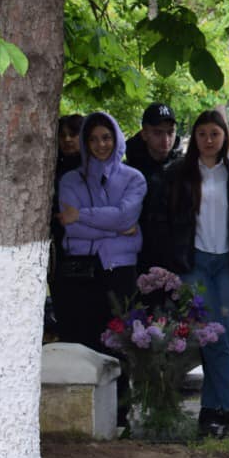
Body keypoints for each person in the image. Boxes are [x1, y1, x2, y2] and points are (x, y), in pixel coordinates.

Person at [167, 110, 229, 438]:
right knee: (210, 334)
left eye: (214, 134)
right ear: (194, 137)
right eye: (202, 134)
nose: (208, 140)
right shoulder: (180, 174)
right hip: (196, 263)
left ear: (225, 136)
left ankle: (209, 411)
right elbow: (170, 220)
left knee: (221, 338)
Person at [55, 112, 146, 422]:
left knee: (120, 343)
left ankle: (119, 415)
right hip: (82, 272)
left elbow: (126, 216)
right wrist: (116, 227)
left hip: (120, 271)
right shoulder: (70, 180)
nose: (100, 144)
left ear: (116, 138)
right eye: (93, 139)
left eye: (106, 137)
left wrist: (82, 215)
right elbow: (71, 227)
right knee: (85, 341)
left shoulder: (134, 178)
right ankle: (86, 416)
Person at [128, 102, 183, 273]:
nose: (166, 140)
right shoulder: (128, 171)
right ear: (144, 133)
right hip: (138, 258)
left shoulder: (186, 168)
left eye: (170, 132)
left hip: (179, 259)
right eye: (158, 133)